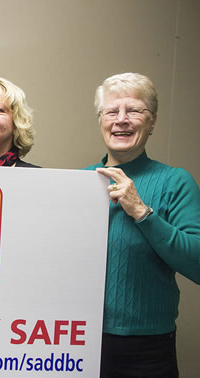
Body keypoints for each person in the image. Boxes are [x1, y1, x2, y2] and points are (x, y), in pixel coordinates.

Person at [86, 72, 200, 377]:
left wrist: (141, 211)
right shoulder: (79, 182)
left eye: (134, 110)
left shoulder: (176, 181)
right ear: (101, 120)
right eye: (112, 111)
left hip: (148, 350)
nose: (121, 119)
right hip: (79, 340)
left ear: (152, 122)